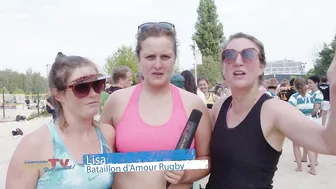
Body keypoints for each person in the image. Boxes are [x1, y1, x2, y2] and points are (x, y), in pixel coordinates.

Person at [207, 32, 336, 189]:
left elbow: (329, 144)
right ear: (223, 66)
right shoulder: (220, 107)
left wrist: (334, 88)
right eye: (229, 55)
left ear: (262, 67)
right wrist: (180, 170)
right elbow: (207, 161)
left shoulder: (273, 110)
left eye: (249, 54)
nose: (238, 61)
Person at [100, 22, 211, 189]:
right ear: (138, 58)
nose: (157, 65)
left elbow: (206, 160)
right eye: (150, 57)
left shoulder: (193, 104)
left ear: (175, 58)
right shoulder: (117, 101)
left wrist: (186, 174)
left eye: (165, 57)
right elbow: (100, 164)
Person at [6, 52, 115, 189]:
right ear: (58, 95)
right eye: (81, 88)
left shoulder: (107, 135)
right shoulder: (34, 145)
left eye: (98, 84)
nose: (93, 93)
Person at [288, 77, 317, 175]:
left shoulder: (294, 97)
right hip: (309, 121)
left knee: (296, 145)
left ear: (295, 86)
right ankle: (313, 168)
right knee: (310, 146)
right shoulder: (311, 96)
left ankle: (299, 167)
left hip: (298, 123)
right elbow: (313, 108)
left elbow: (290, 111)